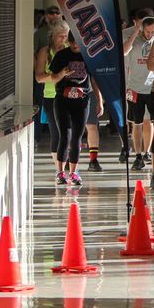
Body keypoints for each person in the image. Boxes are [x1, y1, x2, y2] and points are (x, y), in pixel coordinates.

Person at [50, 31, 104, 186]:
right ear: (69, 42)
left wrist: (99, 100)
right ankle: (60, 172)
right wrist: (62, 73)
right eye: (72, 43)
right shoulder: (61, 55)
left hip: (82, 100)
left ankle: (73, 173)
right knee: (65, 136)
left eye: (78, 43)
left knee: (77, 138)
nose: (75, 46)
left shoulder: (89, 56)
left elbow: (94, 79)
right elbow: (53, 77)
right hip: (63, 99)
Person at [123, 16, 154, 188]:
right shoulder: (135, 39)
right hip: (135, 87)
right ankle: (138, 155)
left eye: (152, 31)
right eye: (146, 31)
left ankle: (152, 153)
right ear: (142, 29)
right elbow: (125, 51)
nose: (149, 34)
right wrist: (135, 32)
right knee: (137, 122)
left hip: (152, 88)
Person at [35, 20, 70, 174]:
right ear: (53, 36)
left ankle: (68, 164)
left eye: (66, 36)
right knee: (56, 133)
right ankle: (59, 170)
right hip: (51, 96)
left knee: (69, 132)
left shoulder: (70, 49)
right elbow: (39, 77)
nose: (63, 39)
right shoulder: (45, 51)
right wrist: (57, 76)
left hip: (69, 95)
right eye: (60, 36)